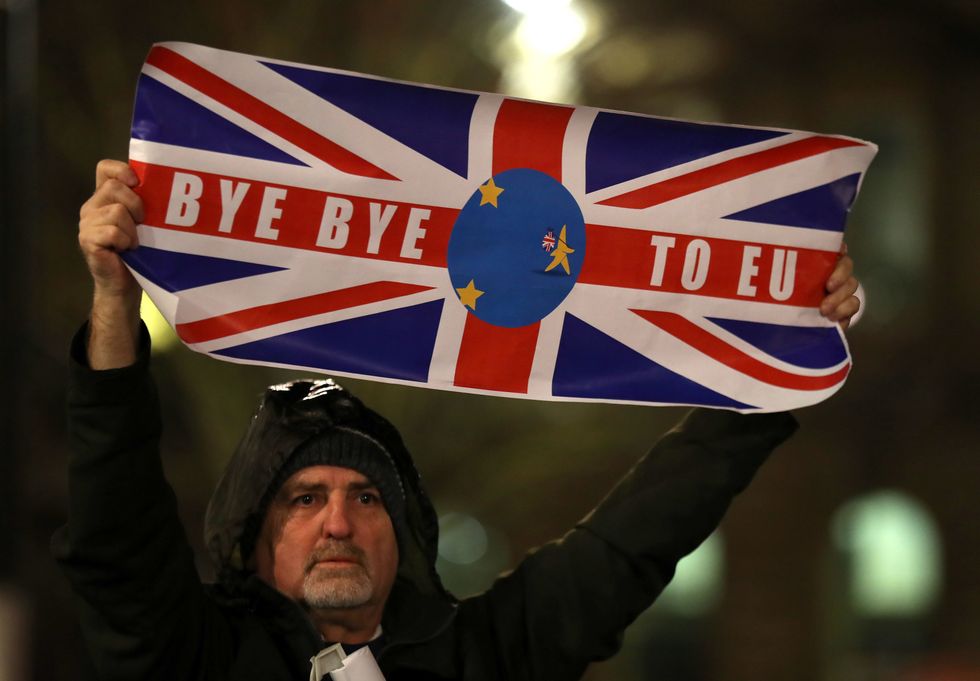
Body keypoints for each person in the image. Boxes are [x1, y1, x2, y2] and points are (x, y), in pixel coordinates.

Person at [53, 160, 862, 681]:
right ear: (253, 531)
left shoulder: (483, 656)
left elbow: (635, 536)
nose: (338, 519)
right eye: (304, 497)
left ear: (402, 528)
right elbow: (117, 530)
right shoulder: (195, 655)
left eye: (367, 496)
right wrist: (114, 301)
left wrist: (780, 350)